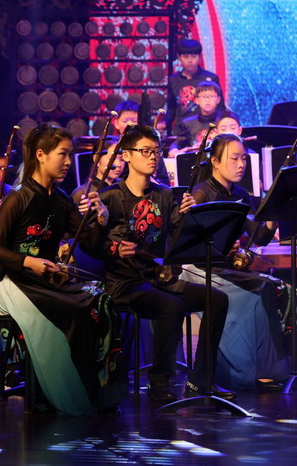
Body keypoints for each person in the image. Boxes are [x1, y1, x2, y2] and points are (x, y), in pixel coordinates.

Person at [0, 124, 125, 416]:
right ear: (41, 155)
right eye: (62, 154)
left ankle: (96, 392)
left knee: (100, 301)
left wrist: (101, 219)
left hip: (47, 282)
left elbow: (90, 244)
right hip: (20, 283)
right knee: (76, 310)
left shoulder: (60, 200)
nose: (68, 162)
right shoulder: (18, 197)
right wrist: (29, 261)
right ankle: (60, 397)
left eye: (70, 155)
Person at [98, 125, 233, 401]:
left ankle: (201, 380)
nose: (152, 157)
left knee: (217, 299)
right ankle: (160, 381)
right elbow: (91, 245)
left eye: (156, 152)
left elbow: (178, 239)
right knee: (171, 305)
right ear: (126, 155)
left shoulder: (164, 194)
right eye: (145, 151)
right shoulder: (109, 197)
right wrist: (113, 247)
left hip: (158, 279)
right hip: (125, 284)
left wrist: (188, 217)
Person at [182, 133, 288, 390]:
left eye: (244, 159)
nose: (241, 164)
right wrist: (221, 248)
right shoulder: (201, 193)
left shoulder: (239, 193)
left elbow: (258, 236)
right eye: (234, 158)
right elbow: (189, 246)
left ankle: (266, 371)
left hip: (223, 268)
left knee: (267, 288)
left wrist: (271, 214)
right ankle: (236, 375)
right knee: (249, 296)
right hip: (198, 269)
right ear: (215, 161)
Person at [164, 38, 223, 134]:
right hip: (182, 130)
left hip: (207, 128)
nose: (190, 60)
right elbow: (172, 109)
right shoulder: (174, 79)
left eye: (194, 56)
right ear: (179, 57)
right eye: (185, 57)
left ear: (199, 57)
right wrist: (164, 122)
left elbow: (220, 108)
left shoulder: (210, 78)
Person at [113, 100, 171, 186]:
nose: (130, 124)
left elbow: (165, 183)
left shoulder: (152, 150)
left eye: (134, 121)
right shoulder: (112, 148)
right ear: (116, 123)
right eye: (125, 121)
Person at [169, 81, 224, 157]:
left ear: (218, 99)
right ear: (197, 100)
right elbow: (178, 143)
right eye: (204, 96)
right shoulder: (188, 123)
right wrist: (173, 150)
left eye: (211, 96)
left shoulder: (224, 121)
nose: (207, 100)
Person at [71, 137, 124, 205]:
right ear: (97, 159)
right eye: (112, 158)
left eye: (122, 159)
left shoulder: (125, 187)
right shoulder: (82, 193)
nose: (118, 164)